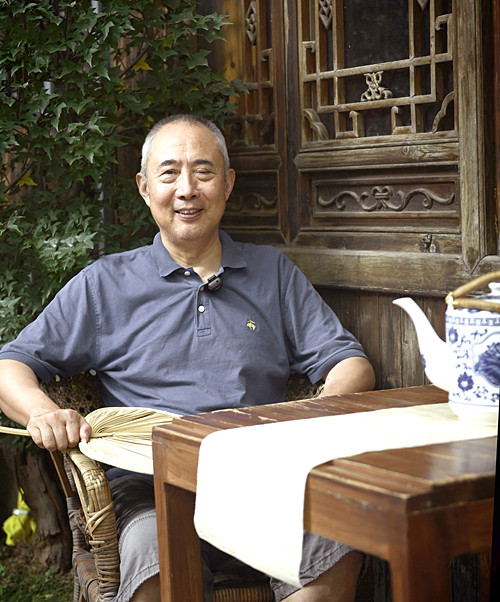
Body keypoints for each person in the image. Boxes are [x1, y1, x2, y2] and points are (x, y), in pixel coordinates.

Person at [0, 114, 375, 602]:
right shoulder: (105, 285)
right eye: (169, 173)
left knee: (336, 547)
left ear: (228, 183)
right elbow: (11, 364)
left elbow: (350, 363)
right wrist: (43, 412)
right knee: (156, 568)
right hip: (150, 490)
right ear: (144, 187)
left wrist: (311, 413)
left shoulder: (273, 273)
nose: (187, 189)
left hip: (264, 480)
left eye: (203, 171)